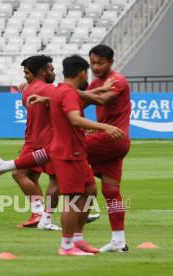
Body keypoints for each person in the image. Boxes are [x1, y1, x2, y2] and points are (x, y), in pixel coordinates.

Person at [0, 55, 125, 256]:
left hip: (71, 150)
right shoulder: (60, 91)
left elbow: (76, 97)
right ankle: (67, 246)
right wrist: (104, 126)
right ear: (82, 73)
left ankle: (77, 239)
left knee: (89, 190)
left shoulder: (59, 90)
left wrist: (101, 90)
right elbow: (75, 118)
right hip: (68, 152)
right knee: (71, 199)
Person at [79, 45, 131, 252]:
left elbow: (102, 99)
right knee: (111, 191)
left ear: (111, 62)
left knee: (61, 154)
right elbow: (80, 104)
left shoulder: (117, 80)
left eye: (100, 62)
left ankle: (8, 166)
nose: (96, 66)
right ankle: (119, 240)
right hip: (113, 142)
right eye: (92, 63)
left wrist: (69, 92)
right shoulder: (96, 82)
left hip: (111, 138)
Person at [11, 55, 60, 230]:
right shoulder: (50, 90)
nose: (54, 73)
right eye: (51, 70)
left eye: (26, 72)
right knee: (33, 176)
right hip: (47, 141)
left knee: (20, 174)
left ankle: (41, 213)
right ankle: (39, 214)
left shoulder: (27, 92)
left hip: (37, 141)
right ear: (42, 71)